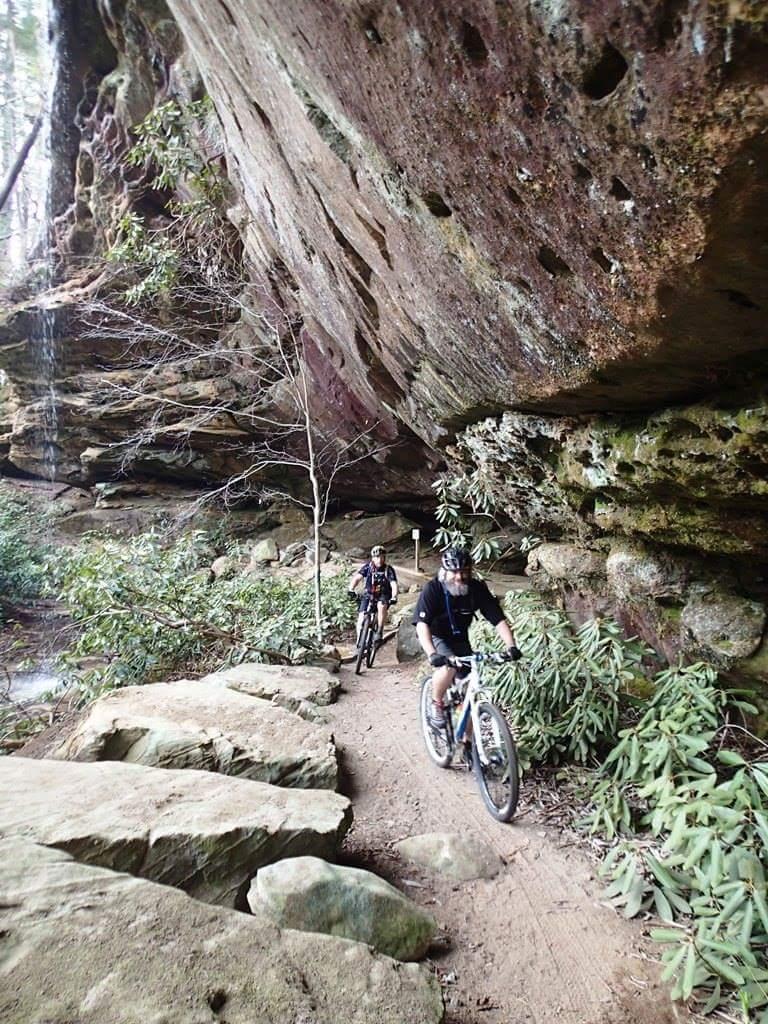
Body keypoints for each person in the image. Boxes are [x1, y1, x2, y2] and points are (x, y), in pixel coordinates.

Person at [412, 545, 521, 731]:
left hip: (461, 639)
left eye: (464, 572)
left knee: (470, 691)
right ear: (445, 571)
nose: (459, 577)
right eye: (454, 572)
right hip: (438, 636)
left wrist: (511, 646)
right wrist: (432, 654)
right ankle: (436, 703)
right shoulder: (434, 589)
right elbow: (422, 625)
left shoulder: (476, 589)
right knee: (448, 669)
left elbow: (498, 619)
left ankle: (467, 743)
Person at [348, 545, 399, 646]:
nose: (379, 559)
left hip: (383, 595)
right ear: (372, 558)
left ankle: (379, 630)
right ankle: (360, 641)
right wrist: (351, 589)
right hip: (369, 594)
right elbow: (357, 578)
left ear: (384, 558)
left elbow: (393, 584)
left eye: (381, 557)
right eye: (376, 557)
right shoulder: (368, 567)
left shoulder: (388, 569)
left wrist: (394, 596)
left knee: (382, 606)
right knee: (361, 617)